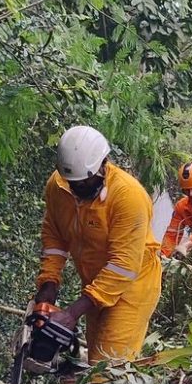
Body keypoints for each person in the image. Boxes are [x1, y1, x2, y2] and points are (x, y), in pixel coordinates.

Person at [34, 125, 162, 363]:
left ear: (102, 165)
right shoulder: (58, 186)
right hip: (95, 283)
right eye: (72, 183)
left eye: (83, 183)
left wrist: (72, 313)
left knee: (106, 368)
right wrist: (48, 283)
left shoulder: (128, 196)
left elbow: (123, 265)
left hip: (132, 285)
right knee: (95, 360)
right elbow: (54, 236)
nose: (76, 188)